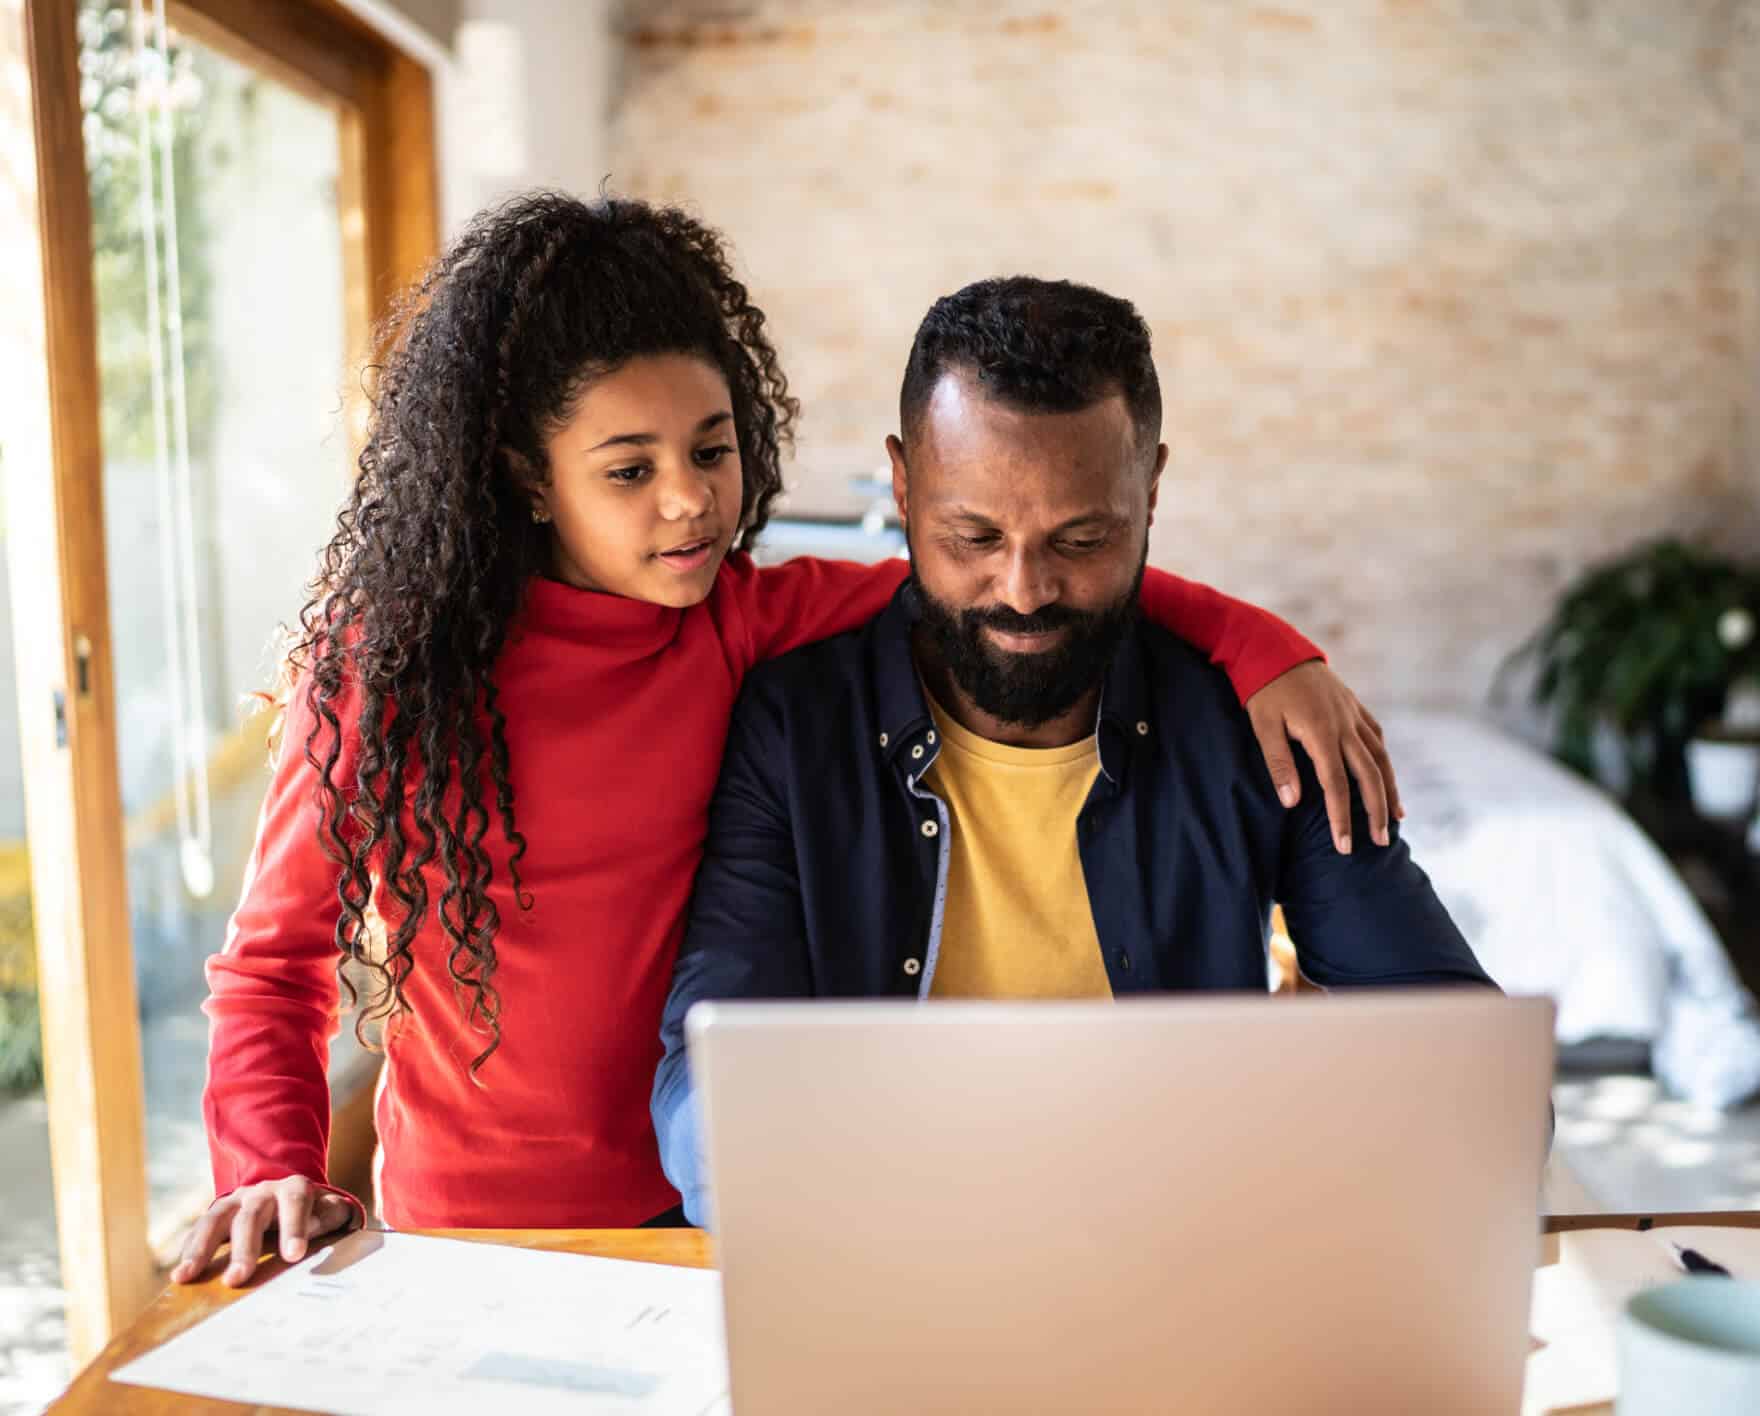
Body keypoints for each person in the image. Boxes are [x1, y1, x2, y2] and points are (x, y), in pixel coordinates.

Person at [172, 194, 1398, 1287]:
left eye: (712, 448)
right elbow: (272, 967)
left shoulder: (745, 619)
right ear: (527, 476)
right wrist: (268, 1167)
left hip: (717, 1217)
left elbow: (1009, 574)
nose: (690, 500)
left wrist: (1265, 647)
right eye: (628, 469)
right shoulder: (381, 678)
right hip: (480, 1230)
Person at [654, 276, 1499, 1227]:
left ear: (1152, 490)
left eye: (1082, 538)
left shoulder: (1255, 731)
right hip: (879, 1245)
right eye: (971, 534)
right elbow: (704, 1081)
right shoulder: (792, 726)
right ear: (902, 483)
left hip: (1187, 1256)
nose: (1022, 590)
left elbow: (1474, 1080)